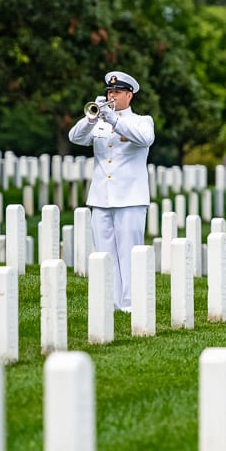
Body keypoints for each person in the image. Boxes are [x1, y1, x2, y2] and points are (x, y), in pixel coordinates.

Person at [69, 70, 155, 312]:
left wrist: (114, 120)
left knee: (129, 253)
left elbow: (144, 139)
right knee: (105, 253)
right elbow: (75, 137)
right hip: (101, 197)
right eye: (109, 92)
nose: (111, 95)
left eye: (116, 92)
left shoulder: (141, 121)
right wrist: (91, 119)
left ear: (129, 95)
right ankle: (112, 302)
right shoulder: (100, 122)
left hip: (130, 198)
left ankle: (130, 303)